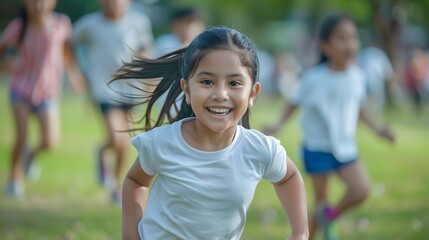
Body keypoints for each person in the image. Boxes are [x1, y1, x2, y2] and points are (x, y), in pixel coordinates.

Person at [113, 26, 309, 240]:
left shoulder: (258, 150)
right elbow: (137, 181)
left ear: (253, 94)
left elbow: (288, 177)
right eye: (207, 82)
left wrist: (300, 232)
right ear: (187, 90)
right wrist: (131, 234)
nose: (220, 94)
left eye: (234, 83)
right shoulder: (162, 143)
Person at [264, 14, 395, 240]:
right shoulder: (314, 78)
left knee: (361, 190)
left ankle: (331, 216)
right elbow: (294, 102)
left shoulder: (357, 77)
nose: (349, 43)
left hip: (345, 148)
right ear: (325, 46)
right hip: (317, 147)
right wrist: (278, 124)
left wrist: (379, 129)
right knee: (319, 204)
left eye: (352, 37)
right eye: (341, 38)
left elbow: (361, 110)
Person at [70, 0, 154, 203]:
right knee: (117, 138)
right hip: (103, 88)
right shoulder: (89, 24)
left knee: (123, 143)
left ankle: (115, 185)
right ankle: (106, 162)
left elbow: (144, 51)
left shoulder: (139, 22)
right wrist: (76, 74)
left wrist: (149, 78)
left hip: (130, 89)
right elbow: (69, 44)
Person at [0, 0, 84, 198]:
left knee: (50, 141)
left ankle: (31, 155)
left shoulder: (61, 24)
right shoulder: (18, 27)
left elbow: (66, 52)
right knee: (21, 137)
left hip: (48, 91)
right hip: (21, 87)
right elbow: (3, 49)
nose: (39, 5)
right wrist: (5, 66)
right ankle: (14, 179)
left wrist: (74, 75)